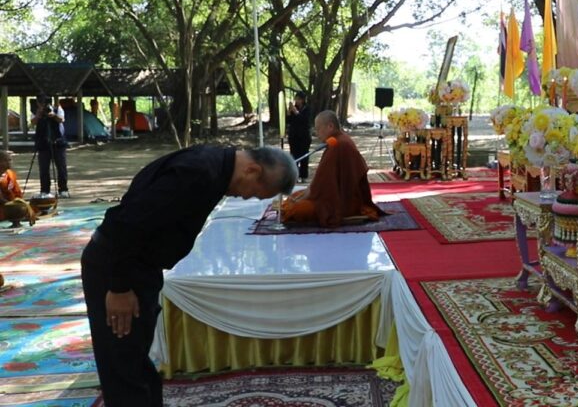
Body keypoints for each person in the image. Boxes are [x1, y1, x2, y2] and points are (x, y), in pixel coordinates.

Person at [80, 145, 297, 407]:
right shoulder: (198, 172)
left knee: (135, 361)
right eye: (253, 193)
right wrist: (119, 287)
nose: (245, 197)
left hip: (138, 267)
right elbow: (126, 223)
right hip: (117, 269)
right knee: (123, 368)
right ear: (252, 170)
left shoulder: (214, 165)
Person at [281, 110, 386, 227]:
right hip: (335, 196)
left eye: (318, 128)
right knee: (295, 196)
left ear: (330, 126)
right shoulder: (338, 140)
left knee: (296, 209)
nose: (316, 133)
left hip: (342, 204)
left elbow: (320, 185)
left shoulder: (338, 144)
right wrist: (303, 195)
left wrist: (301, 199)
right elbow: (320, 182)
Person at [32, 95, 69, 198]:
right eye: (41, 102)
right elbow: (33, 122)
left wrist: (53, 115)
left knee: (61, 167)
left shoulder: (57, 109)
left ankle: (63, 189)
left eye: (45, 102)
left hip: (58, 143)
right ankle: (44, 190)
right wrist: (39, 114)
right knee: (44, 168)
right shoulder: (36, 111)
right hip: (43, 143)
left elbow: (61, 120)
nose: (43, 105)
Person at [286, 91, 313, 183]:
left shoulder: (307, 109)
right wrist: (289, 112)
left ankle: (303, 176)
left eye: (298, 99)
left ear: (302, 100)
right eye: (296, 99)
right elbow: (288, 121)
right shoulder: (294, 108)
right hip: (294, 136)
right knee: (294, 156)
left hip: (304, 136)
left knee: (304, 156)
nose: (296, 101)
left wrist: (296, 112)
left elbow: (304, 120)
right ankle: (295, 175)